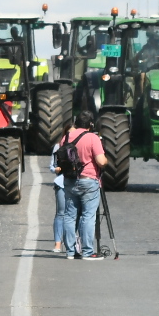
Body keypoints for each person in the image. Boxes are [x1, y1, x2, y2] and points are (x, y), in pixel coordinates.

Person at [58, 109, 108, 258]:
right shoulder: (92, 138)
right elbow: (100, 161)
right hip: (88, 181)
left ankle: (70, 252)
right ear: (91, 124)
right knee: (88, 216)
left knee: (69, 215)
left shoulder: (66, 137)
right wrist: (106, 161)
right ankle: (87, 251)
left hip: (69, 180)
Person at [50, 149, 72, 254]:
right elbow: (52, 166)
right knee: (61, 213)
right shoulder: (58, 147)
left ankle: (74, 243)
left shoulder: (82, 142)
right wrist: (56, 169)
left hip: (77, 182)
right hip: (61, 183)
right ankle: (57, 243)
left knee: (77, 214)